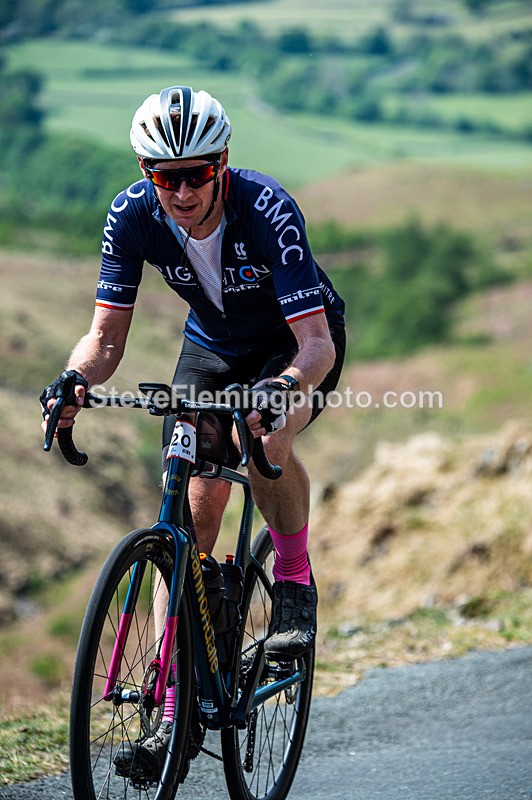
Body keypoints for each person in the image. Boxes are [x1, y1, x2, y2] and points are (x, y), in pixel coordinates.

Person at [41, 85, 345, 774]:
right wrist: (75, 379)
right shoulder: (131, 215)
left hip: (290, 345)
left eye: (196, 174)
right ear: (148, 174)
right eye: (164, 176)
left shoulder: (267, 207)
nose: (180, 191)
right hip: (211, 345)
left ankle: (293, 577)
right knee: (190, 520)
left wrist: (283, 388)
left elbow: (317, 345)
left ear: (223, 163)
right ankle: (173, 712)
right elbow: (106, 338)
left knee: (267, 441)